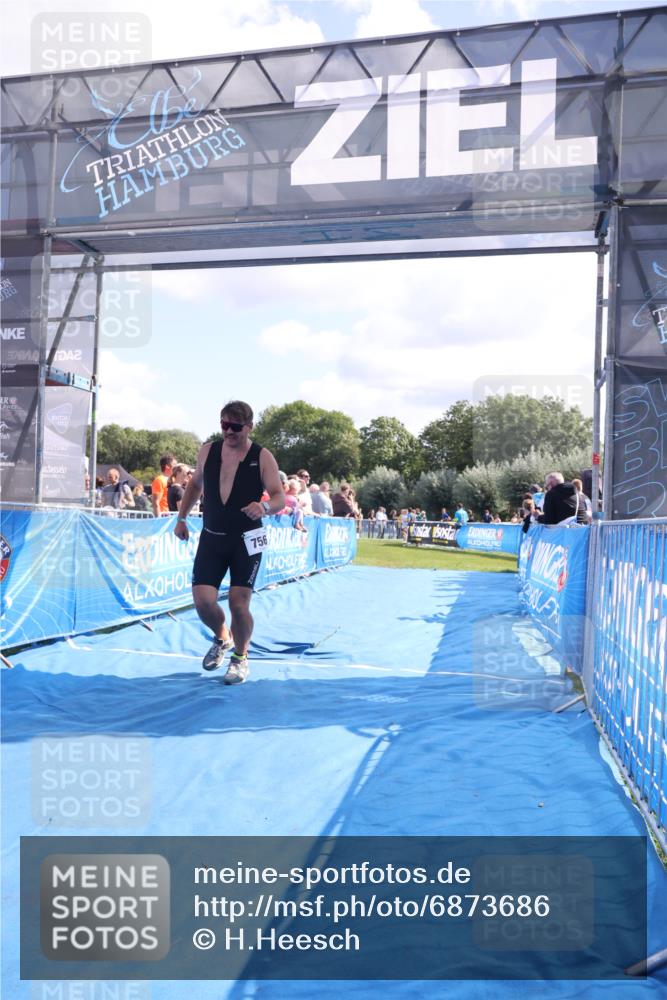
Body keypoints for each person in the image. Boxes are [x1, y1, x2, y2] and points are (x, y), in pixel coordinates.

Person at [174, 401, 284, 684]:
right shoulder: (208, 450)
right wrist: (182, 518)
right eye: (224, 425)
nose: (229, 431)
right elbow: (195, 484)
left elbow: (278, 496)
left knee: (238, 603)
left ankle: (240, 658)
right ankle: (223, 637)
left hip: (247, 539)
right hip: (212, 536)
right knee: (203, 602)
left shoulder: (262, 456)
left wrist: (265, 507)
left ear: (249, 426)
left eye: (235, 427)